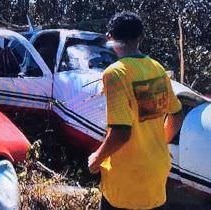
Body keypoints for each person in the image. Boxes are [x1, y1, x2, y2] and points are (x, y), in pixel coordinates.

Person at [88, 12, 183, 210]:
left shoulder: (115, 73)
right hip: (156, 172)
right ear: (140, 38)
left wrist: (96, 159)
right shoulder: (157, 68)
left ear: (110, 37)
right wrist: (156, 143)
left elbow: (121, 132)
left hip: (127, 178)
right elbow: (176, 114)